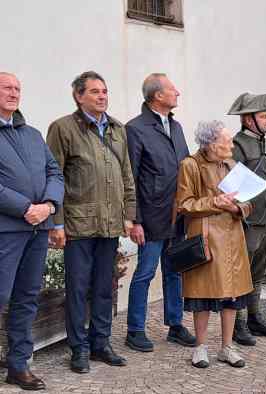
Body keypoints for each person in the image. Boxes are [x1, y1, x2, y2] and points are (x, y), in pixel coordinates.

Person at [46, 71, 136, 374]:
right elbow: (54, 177)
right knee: (78, 288)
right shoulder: (62, 128)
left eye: (105, 91)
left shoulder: (117, 129)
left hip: (110, 224)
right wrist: (55, 223)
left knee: (104, 287)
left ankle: (101, 343)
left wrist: (129, 215)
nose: (102, 96)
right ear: (79, 96)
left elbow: (126, 175)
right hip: (77, 225)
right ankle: (79, 348)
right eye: (95, 91)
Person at [0, 72, 64, 391]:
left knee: (27, 298)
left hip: (38, 229)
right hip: (6, 230)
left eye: (17, 89)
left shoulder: (34, 134)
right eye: (7, 88)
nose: (14, 93)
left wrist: (49, 205)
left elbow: (55, 172)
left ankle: (18, 365)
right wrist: (25, 207)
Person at [124, 73, 195, 352]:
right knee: (145, 272)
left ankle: (175, 324)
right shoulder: (136, 129)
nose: (177, 92)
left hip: (176, 215)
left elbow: (187, 167)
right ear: (157, 96)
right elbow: (130, 176)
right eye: (171, 89)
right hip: (150, 217)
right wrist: (135, 220)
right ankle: (135, 329)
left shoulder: (175, 127)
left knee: (175, 271)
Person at [175, 120, 254, 369]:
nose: (231, 145)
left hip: (232, 236)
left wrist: (235, 207)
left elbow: (248, 203)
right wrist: (215, 202)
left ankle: (227, 347)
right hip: (206, 237)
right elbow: (184, 204)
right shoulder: (190, 165)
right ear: (211, 144)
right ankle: (200, 347)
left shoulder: (231, 165)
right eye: (226, 141)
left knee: (232, 293)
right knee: (203, 294)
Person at [228, 92, 266, 346]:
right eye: (263, 116)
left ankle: (254, 316)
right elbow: (230, 186)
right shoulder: (236, 146)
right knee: (242, 273)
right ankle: (238, 323)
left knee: (259, 271)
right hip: (248, 222)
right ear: (248, 120)